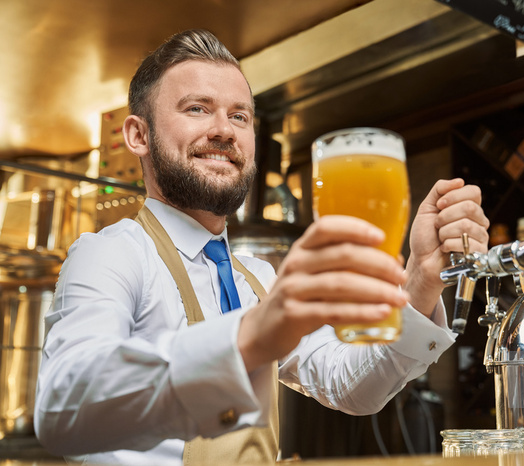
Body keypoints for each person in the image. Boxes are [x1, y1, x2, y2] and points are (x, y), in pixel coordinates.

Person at [34, 29, 489, 465]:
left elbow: (352, 388)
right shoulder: (111, 253)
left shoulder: (259, 276)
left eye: (239, 116)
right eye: (197, 108)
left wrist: (421, 281)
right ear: (139, 135)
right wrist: (252, 335)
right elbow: (64, 408)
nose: (225, 130)